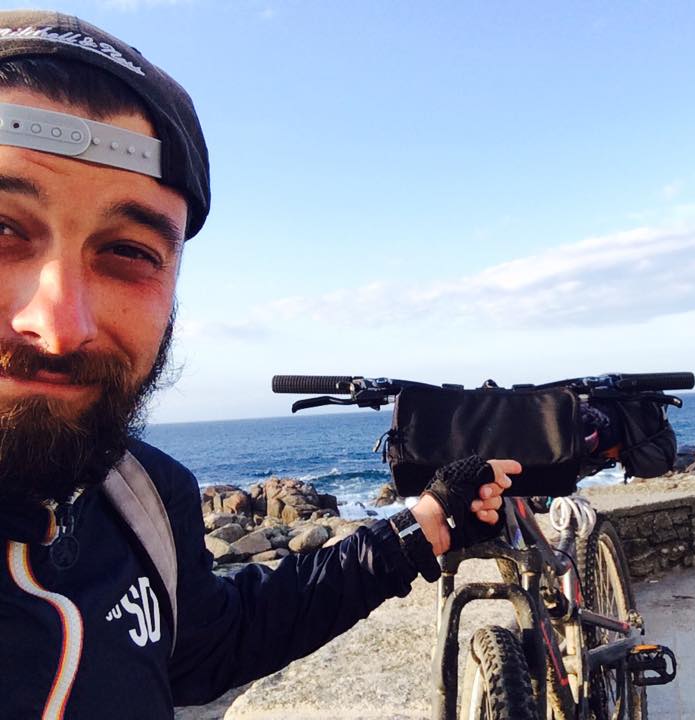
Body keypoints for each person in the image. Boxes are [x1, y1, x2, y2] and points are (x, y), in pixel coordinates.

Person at [0, 10, 519, 718]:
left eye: (128, 252)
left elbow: (213, 642)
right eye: (4, 229)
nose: (61, 327)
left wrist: (420, 522)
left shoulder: (139, 497)